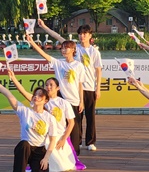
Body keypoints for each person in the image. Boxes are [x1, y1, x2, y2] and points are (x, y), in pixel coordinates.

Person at [39, 20, 102, 152]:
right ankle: (76, 141)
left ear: (90, 35)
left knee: (90, 116)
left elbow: (98, 70)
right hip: (73, 88)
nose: (82, 36)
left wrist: (98, 88)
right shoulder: (74, 48)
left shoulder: (94, 52)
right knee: (75, 117)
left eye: (85, 33)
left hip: (89, 87)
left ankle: (90, 141)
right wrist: (44, 26)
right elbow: (58, 37)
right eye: (80, 34)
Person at [7, 70, 86, 172]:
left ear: (58, 88)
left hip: (59, 136)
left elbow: (71, 123)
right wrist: (13, 78)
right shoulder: (41, 100)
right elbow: (23, 92)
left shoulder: (64, 103)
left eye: (51, 85)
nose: (48, 87)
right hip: (44, 136)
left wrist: (63, 139)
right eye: (46, 85)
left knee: (62, 165)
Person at [0, 75, 58, 172]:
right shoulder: (25, 111)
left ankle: (35, 170)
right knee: (23, 144)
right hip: (26, 148)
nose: (36, 97)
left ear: (46, 100)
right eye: (35, 95)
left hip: (39, 150)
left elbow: (53, 140)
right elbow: (9, 95)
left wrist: (46, 158)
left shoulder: (49, 118)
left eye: (40, 96)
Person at [26, 34, 86, 155]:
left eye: (66, 48)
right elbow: (44, 55)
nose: (64, 50)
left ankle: (74, 154)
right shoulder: (59, 63)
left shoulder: (78, 65)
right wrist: (32, 43)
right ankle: (54, 149)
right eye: (62, 48)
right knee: (57, 126)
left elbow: (80, 85)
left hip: (74, 101)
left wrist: (81, 101)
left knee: (74, 128)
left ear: (73, 50)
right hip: (61, 100)